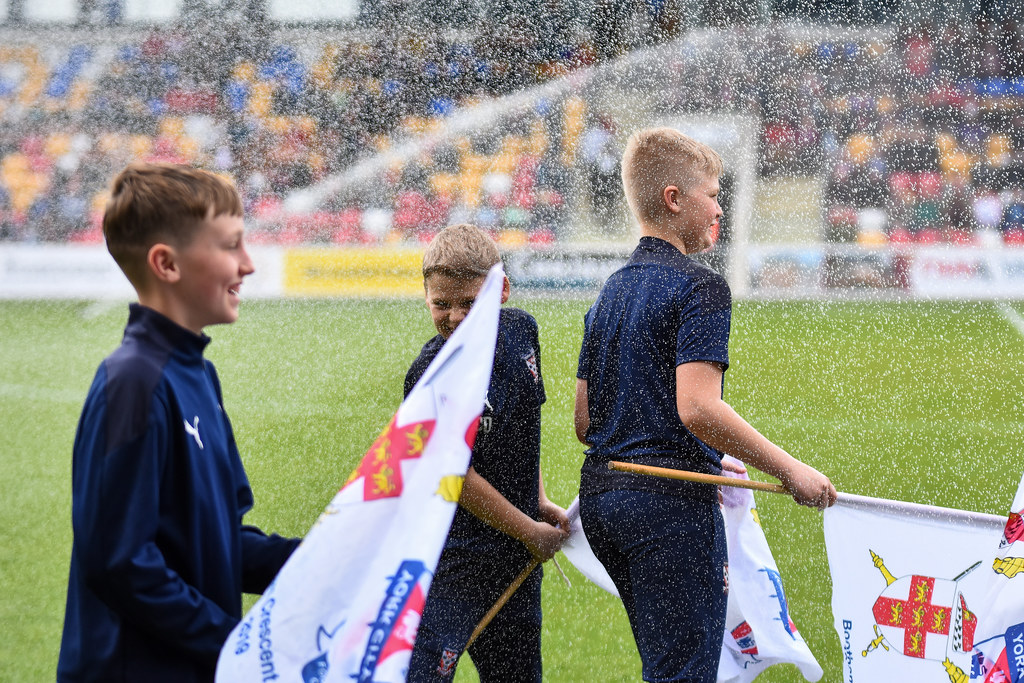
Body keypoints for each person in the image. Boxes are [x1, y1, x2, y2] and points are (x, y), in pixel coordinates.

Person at [573, 128, 837, 683]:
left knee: (669, 666)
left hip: (603, 500)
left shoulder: (610, 289)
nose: (719, 206)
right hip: (666, 507)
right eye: (713, 194)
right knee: (685, 675)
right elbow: (697, 409)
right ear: (674, 199)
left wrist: (703, 458)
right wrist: (791, 470)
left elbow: (585, 421)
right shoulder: (701, 285)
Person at [57, 162, 300, 682]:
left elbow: (221, 542)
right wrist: (230, 644)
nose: (249, 264)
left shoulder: (199, 376)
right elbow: (119, 562)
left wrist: (330, 557)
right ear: (167, 264)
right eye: (230, 245)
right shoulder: (133, 382)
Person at [405, 223, 569, 682]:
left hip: (516, 558)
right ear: (426, 298)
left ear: (502, 292)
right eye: (441, 303)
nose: (455, 317)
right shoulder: (427, 376)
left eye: (469, 303)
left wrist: (536, 500)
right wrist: (529, 530)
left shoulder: (522, 334)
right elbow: (453, 477)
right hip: (452, 563)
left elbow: (524, 428)